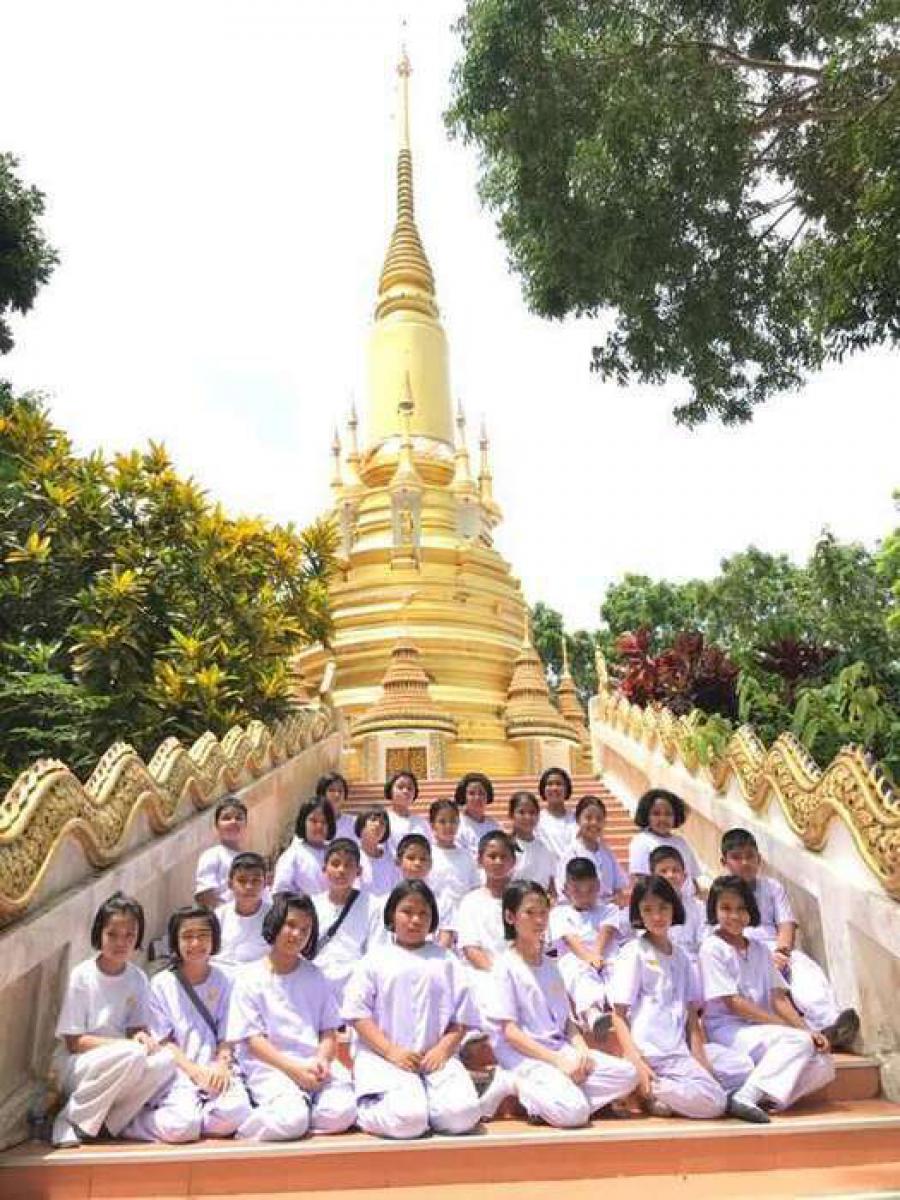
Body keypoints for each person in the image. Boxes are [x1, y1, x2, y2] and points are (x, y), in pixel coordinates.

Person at [479, 881, 639, 1127]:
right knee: (574, 1114)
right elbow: (510, 1033)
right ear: (510, 917)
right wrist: (557, 1061)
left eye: (543, 912)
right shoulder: (504, 967)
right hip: (524, 1056)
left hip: (561, 1049)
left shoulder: (551, 966)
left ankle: (550, 1100)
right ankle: (513, 1083)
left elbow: (567, 1024)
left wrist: (583, 1052)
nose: (539, 920)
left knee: (628, 1074)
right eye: (530, 913)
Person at [342, 880, 482, 1139]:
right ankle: (366, 1111)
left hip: (436, 1057)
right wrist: (391, 1051)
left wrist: (442, 1050)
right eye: (407, 912)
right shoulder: (374, 960)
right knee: (408, 1121)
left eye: (423, 913)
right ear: (391, 915)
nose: (415, 920)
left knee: (463, 1116)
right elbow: (358, 1014)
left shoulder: (447, 960)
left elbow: (462, 1017)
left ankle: (427, 1103)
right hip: (384, 1056)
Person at [699, 875, 836, 1123]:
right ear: (714, 911)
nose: (734, 915)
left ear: (750, 911)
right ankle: (746, 1097)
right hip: (728, 1031)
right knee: (796, 1041)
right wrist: (783, 1027)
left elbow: (779, 998)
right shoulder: (712, 948)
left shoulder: (760, 949)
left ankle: (759, 1096)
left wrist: (807, 1030)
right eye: (726, 908)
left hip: (763, 1031)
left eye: (741, 908)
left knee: (824, 1064)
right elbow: (733, 1003)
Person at [226, 891, 356, 1140]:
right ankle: (250, 1125)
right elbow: (253, 1041)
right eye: (291, 925)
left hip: (313, 1065)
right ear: (275, 924)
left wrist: (322, 1060)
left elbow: (328, 1031)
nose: (297, 934)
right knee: (292, 1120)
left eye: (305, 929)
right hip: (271, 1067)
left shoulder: (315, 975)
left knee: (342, 1113)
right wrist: (294, 1070)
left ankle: (300, 1111)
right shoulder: (249, 978)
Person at [51, 893, 176, 1147]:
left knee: (167, 1060)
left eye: (129, 935)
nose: (121, 942)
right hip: (80, 1064)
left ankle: (108, 1124)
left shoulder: (138, 978)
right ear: (99, 934)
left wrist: (142, 1038)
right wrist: (128, 1046)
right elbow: (74, 1042)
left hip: (123, 1061)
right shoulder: (82, 976)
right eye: (113, 934)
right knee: (133, 1054)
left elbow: (136, 1029)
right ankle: (69, 1120)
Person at [719, 828, 859, 1048]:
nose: (745, 863)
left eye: (750, 856)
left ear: (759, 859)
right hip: (742, 951)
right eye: (737, 857)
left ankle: (830, 1024)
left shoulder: (772, 887)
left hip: (775, 947)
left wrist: (782, 952)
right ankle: (810, 1032)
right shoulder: (720, 892)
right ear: (724, 862)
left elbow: (786, 924)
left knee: (805, 968)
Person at [609, 878, 734, 1120]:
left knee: (721, 1091)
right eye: (648, 910)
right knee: (716, 1102)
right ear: (638, 913)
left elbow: (691, 1018)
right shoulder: (633, 952)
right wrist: (637, 1061)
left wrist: (702, 1064)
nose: (657, 916)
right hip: (647, 1051)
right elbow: (618, 1015)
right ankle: (642, 1084)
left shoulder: (682, 958)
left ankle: (653, 1093)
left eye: (663, 908)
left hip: (676, 1054)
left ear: (674, 908)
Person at [124, 907, 251, 1141]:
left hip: (216, 1067)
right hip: (178, 1070)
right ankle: (134, 1125)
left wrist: (221, 1066)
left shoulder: (227, 980)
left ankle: (197, 1118)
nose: (195, 943)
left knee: (236, 1112)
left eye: (203, 935)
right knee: (182, 1126)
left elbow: (228, 1035)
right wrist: (194, 1072)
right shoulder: (161, 984)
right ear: (175, 941)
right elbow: (164, 1041)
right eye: (187, 936)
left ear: (214, 939)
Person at [548, 858, 621, 1038]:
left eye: (590, 889)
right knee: (579, 974)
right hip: (576, 957)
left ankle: (622, 1011)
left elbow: (606, 931)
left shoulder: (609, 909)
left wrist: (596, 956)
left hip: (605, 955)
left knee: (618, 973)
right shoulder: (559, 913)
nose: (584, 895)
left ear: (598, 886)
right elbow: (570, 939)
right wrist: (588, 958)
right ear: (565, 889)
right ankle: (592, 1014)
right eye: (577, 890)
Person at [312, 839, 380, 1008]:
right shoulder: (311, 905)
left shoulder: (373, 906)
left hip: (354, 987)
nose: (341, 870)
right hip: (315, 984)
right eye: (335, 864)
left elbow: (375, 953)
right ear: (324, 868)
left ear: (359, 871)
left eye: (348, 865)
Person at [556, 795, 628, 905]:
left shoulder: (607, 852)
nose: (594, 823)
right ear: (578, 820)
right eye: (588, 818)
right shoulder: (571, 853)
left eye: (599, 819)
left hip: (607, 910)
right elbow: (564, 893)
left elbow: (618, 888)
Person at [628, 788, 702, 892]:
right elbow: (641, 880)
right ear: (647, 816)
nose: (662, 819)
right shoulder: (641, 842)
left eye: (668, 814)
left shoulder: (681, 842)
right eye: (656, 814)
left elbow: (693, 879)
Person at [214, 852, 271, 973]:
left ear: (265, 883)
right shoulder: (218, 917)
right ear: (230, 884)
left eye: (256, 881)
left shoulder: (275, 917)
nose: (249, 886)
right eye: (242, 880)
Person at [649, 846, 708, 963]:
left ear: (684, 875)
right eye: (663, 871)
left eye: (675, 870)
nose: (670, 875)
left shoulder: (698, 907)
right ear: (653, 876)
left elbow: (704, 943)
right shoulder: (646, 909)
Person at [195, 797, 250, 909]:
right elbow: (205, 895)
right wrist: (227, 914)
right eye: (226, 818)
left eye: (239, 818)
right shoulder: (212, 855)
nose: (233, 822)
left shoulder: (250, 859)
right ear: (217, 826)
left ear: (245, 825)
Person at [427, 798, 480, 914]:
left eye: (453, 821)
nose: (448, 826)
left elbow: (475, 888)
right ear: (432, 825)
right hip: (435, 916)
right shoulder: (427, 855)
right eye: (442, 822)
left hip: (463, 917)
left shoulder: (467, 856)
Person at [272, 798, 333, 897]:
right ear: (303, 822)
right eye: (313, 821)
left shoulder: (336, 853)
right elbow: (281, 893)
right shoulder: (292, 856)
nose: (319, 826)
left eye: (324, 822)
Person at [509, 791, 557, 892]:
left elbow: (551, 884)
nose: (528, 817)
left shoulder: (546, 847)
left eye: (532, 813)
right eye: (521, 812)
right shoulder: (506, 847)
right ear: (511, 815)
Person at [355, 807, 401, 897]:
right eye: (373, 820)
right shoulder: (353, 857)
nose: (378, 825)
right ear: (361, 825)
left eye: (382, 823)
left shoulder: (392, 859)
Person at [454, 772, 500, 858]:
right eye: (472, 793)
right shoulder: (456, 825)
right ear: (464, 796)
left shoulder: (494, 826)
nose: (477, 798)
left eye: (481, 793)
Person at [383, 771, 429, 856]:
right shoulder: (383, 820)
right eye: (400, 787)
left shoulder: (422, 822)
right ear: (390, 790)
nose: (405, 791)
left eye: (410, 788)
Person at [536, 767, 577, 862]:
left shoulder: (577, 819)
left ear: (567, 789)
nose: (554, 788)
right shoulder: (536, 820)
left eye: (559, 784)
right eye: (549, 784)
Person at [315, 771, 357, 841]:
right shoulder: (312, 824)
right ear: (322, 793)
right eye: (331, 790)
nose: (337, 795)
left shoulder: (354, 823)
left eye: (340, 791)